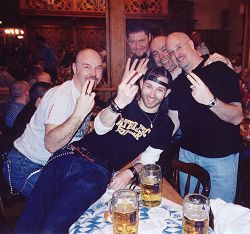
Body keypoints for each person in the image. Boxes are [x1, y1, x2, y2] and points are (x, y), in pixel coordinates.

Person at [14, 63, 175, 233]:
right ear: (141, 85)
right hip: (68, 156)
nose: (152, 94)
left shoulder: (164, 125)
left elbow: (149, 161)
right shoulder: (124, 102)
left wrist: (130, 172)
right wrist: (119, 103)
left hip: (96, 172)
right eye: (149, 86)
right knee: (30, 219)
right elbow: (100, 127)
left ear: (167, 93)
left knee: (53, 227)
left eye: (159, 90)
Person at [3, 48, 103, 198]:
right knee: (67, 202)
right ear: (74, 69)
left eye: (98, 68)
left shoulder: (84, 93)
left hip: (50, 165)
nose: (94, 74)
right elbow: (51, 144)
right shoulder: (62, 97)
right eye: (87, 67)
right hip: (26, 167)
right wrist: (79, 114)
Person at [166, 32, 243, 203]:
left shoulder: (220, 70)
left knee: (219, 216)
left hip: (220, 159)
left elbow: (237, 117)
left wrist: (210, 101)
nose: (176, 54)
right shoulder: (178, 83)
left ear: (191, 44)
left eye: (179, 47)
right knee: (190, 213)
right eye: (171, 51)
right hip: (187, 157)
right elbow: (172, 122)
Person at [2, 82, 53, 152]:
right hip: (17, 155)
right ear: (39, 101)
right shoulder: (32, 116)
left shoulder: (28, 108)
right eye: (51, 97)